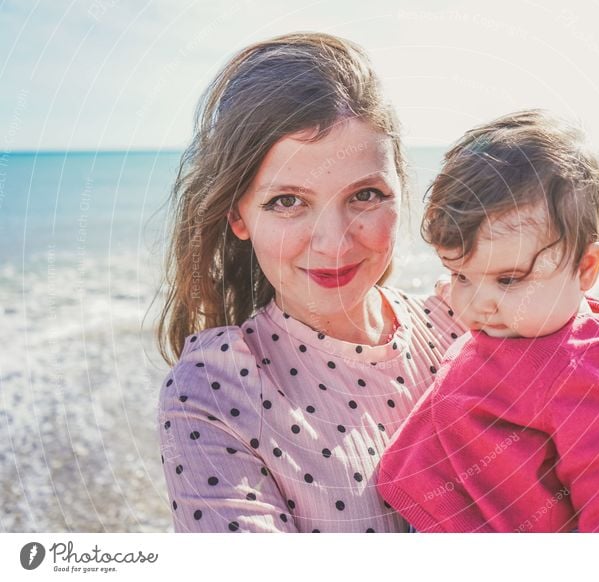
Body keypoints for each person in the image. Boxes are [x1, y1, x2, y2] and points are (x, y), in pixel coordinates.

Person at [156, 32, 465, 533]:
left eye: (365, 194)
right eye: (287, 201)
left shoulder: (463, 326)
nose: (334, 243)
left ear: (401, 190)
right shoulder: (213, 395)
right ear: (239, 215)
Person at [376, 110, 599, 532]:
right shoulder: (520, 316)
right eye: (462, 274)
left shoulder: (586, 364)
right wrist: (463, 286)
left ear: (586, 266)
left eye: (509, 279)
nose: (478, 304)